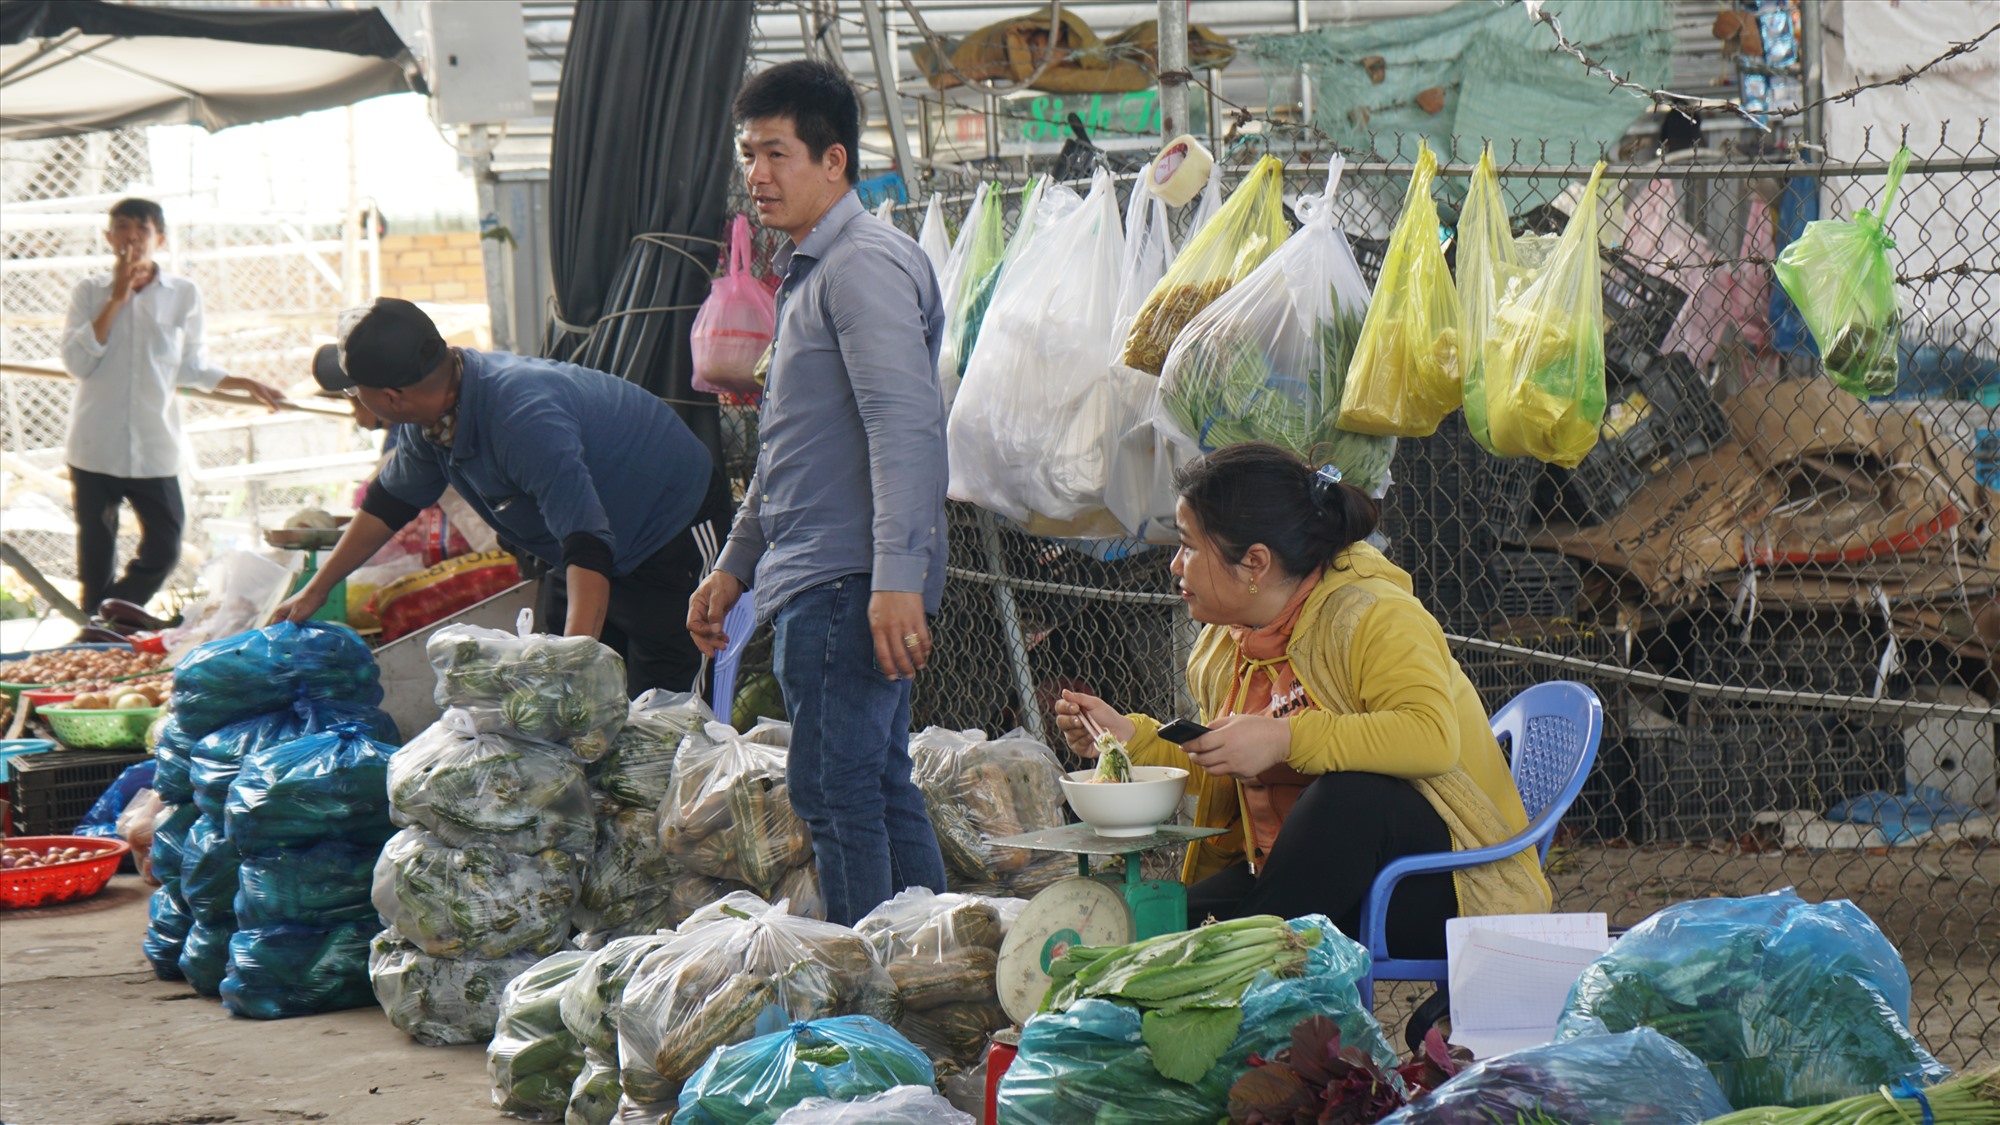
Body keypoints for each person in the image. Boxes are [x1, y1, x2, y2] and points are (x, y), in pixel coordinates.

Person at [1053, 443, 1553, 956]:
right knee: (1142, 930)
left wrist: (1283, 738)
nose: (1174, 565)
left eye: (1189, 546)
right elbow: (1224, 768)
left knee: (1353, 797)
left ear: (1254, 563)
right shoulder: (1226, 644)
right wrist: (1130, 738)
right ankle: (1246, 943)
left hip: (1440, 890)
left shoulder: (1374, 616)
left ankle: (1250, 949)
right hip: (1293, 880)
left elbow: (1432, 738)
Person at [686, 59, 947, 927]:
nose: (756, 175)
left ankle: (876, 1003)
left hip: (849, 582)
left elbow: (903, 426)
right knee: (872, 783)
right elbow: (789, 445)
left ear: (834, 161)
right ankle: (930, 973)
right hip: (829, 575)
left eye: (776, 153)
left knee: (837, 795)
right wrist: (735, 564)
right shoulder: (811, 272)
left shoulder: (860, 266)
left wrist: (896, 578)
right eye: (747, 154)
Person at [275, 298, 730, 697]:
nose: (356, 400)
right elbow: (389, 502)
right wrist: (316, 590)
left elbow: (587, 542)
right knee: (589, 685)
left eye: (356, 392)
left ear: (392, 397)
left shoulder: (520, 417)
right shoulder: (434, 417)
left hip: (668, 527)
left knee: (669, 704)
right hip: (585, 544)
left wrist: (570, 668)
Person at [60, 197, 287, 615]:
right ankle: (97, 639)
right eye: (123, 227)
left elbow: (190, 368)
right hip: (94, 446)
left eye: (142, 229)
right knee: (95, 556)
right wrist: (115, 298)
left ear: (159, 238)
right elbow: (77, 363)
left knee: (165, 547)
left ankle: (111, 616)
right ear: (109, 237)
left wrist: (244, 382)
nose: (132, 237)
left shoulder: (183, 294)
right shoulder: (89, 292)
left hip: (154, 445)